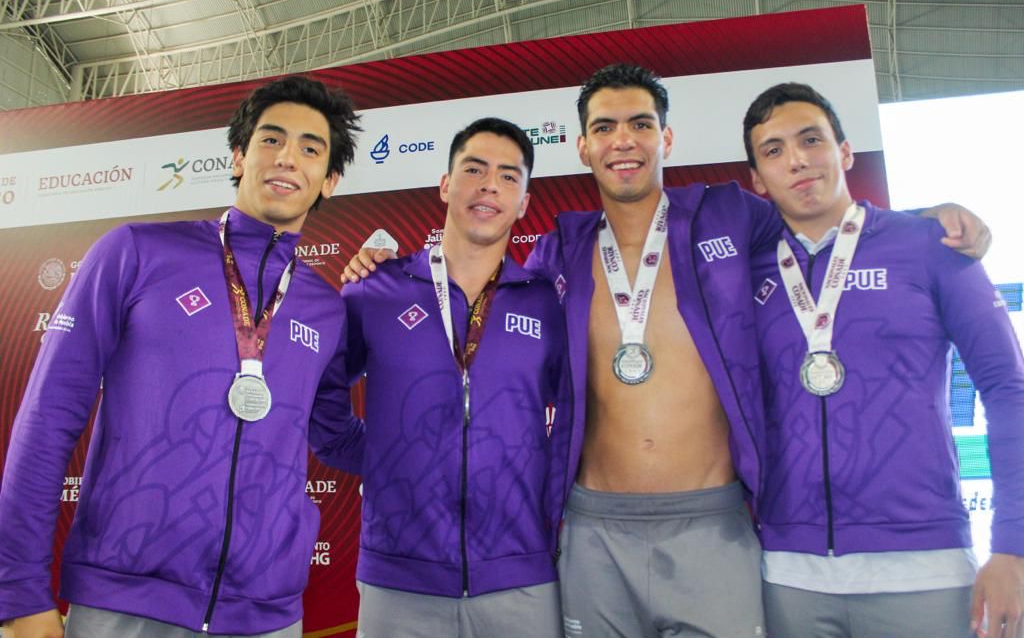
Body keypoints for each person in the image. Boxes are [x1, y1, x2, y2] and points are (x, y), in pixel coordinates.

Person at [341, 64, 989, 637]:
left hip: (713, 524)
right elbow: (474, 291)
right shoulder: (557, 248)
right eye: (605, 127)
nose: (624, 139)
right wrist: (376, 255)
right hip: (594, 528)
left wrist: (925, 217)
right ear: (583, 146)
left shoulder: (730, 215)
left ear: (666, 138)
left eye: (641, 123)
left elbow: (821, 221)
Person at [0, 75, 365, 638]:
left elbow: (335, 438)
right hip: (125, 605)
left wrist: (455, 442)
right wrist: (18, 588)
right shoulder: (137, 252)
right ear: (240, 157)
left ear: (329, 180)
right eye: (271, 140)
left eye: (310, 148)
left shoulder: (326, 307)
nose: (288, 157)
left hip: (266, 616)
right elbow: (48, 417)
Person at [744, 82, 1024, 638]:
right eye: (773, 150)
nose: (797, 160)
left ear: (844, 152)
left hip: (925, 568)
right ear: (757, 179)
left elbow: (1006, 388)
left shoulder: (932, 247)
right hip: (787, 574)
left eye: (811, 140)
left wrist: (1014, 546)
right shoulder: (744, 272)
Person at [339, 117, 572, 638]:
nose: (491, 184)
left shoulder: (547, 302)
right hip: (398, 580)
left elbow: (583, 414)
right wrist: (377, 456)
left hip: (521, 576)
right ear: (446, 185)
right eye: (474, 168)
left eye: (509, 177)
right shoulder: (376, 290)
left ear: (524, 203)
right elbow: (318, 398)